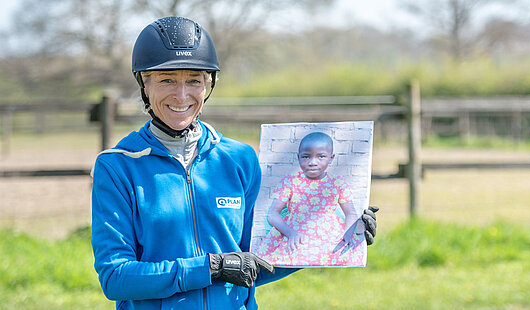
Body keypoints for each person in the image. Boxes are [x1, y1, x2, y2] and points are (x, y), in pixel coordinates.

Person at [91, 16, 378, 310]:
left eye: (194, 81)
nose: (182, 95)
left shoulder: (239, 159)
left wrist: (334, 237)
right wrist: (211, 268)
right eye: (167, 80)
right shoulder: (117, 167)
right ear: (144, 83)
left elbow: (256, 263)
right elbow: (116, 277)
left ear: (209, 85)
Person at [256, 132, 367, 267]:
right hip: (295, 230)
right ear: (298, 157)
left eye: (321, 156)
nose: (313, 162)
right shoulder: (291, 181)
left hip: (329, 234)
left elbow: (350, 213)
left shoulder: (337, 182)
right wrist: (290, 233)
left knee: (342, 255)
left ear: (331, 158)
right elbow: (273, 214)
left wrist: (347, 234)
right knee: (285, 256)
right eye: (306, 156)